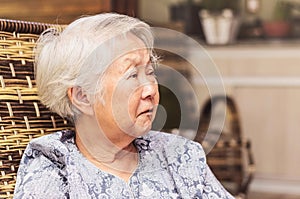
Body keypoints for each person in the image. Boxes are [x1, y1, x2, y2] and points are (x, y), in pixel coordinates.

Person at [14, 13, 234, 198]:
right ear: (82, 97)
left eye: (149, 72)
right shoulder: (54, 165)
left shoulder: (181, 154)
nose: (150, 90)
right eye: (131, 76)